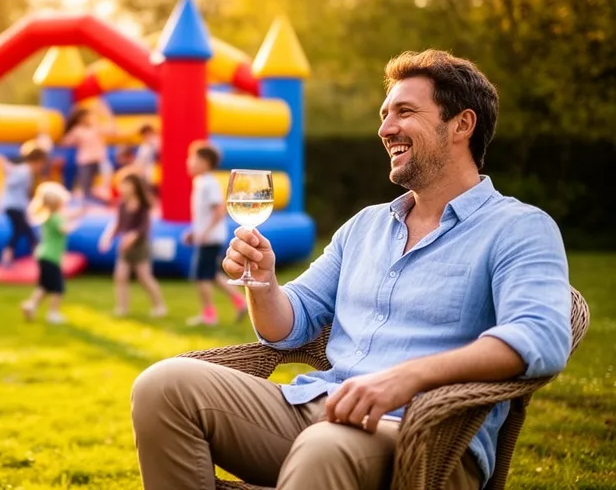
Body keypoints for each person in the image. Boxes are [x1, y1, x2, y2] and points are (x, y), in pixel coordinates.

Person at [130, 50, 573, 489]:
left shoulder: (519, 228)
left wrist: (407, 377)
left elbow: (541, 336)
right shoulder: (365, 226)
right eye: (384, 114)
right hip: (320, 407)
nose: (385, 129)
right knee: (162, 386)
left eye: (404, 111)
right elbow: (288, 325)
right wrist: (263, 283)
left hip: (424, 437)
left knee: (325, 445)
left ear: (462, 124)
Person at [183, 140, 247, 326]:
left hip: (210, 239)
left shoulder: (209, 183)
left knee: (200, 276)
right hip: (207, 237)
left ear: (204, 161)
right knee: (211, 274)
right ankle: (240, 302)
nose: (188, 162)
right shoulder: (200, 181)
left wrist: (204, 233)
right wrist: (194, 232)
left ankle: (209, 315)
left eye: (192, 158)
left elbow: (220, 209)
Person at [98, 167, 167, 318]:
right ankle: (122, 308)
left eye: (125, 184)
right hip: (125, 247)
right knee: (120, 276)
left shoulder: (143, 205)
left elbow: (144, 227)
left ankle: (159, 306)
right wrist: (107, 237)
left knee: (144, 277)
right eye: (121, 184)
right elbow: (117, 224)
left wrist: (133, 236)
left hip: (140, 247)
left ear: (135, 186)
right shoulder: (122, 204)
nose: (122, 188)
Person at [21, 181, 82, 324]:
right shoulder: (55, 218)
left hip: (44, 255)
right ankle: (53, 313)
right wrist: (75, 225)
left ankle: (31, 305)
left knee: (45, 285)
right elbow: (64, 229)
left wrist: (78, 213)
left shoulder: (49, 216)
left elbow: (66, 217)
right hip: (51, 256)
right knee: (58, 287)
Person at [0, 140, 48, 267]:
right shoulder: (24, 171)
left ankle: (7, 257)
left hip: (16, 205)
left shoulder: (25, 171)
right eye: (41, 163)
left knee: (18, 231)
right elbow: (10, 182)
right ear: (37, 161)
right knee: (27, 231)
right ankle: (39, 257)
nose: (42, 167)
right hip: (12, 205)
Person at [62, 102, 115, 205]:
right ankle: (87, 203)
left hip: (99, 159)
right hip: (85, 160)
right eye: (87, 116)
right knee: (86, 186)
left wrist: (106, 114)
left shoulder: (96, 128)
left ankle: (103, 192)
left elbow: (113, 131)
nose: (89, 118)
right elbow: (66, 141)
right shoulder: (78, 130)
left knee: (107, 171)